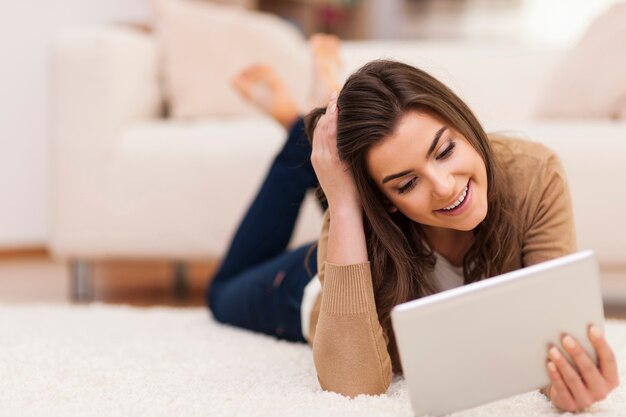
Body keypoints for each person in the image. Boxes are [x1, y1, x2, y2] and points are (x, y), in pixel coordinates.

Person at [207, 35, 619, 412]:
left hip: (383, 232)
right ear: (385, 202)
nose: (444, 187)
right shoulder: (352, 216)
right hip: (317, 286)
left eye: (445, 150)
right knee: (221, 292)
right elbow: (354, 387)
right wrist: (345, 205)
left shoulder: (533, 174)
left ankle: (323, 124)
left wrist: (567, 381)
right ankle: (305, 134)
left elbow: (555, 339)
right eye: (406, 183)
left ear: (463, 121)